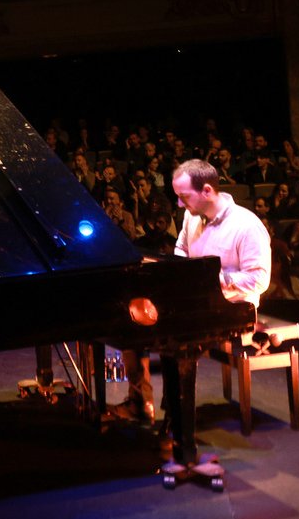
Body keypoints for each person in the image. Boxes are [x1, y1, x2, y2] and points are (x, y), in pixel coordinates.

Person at [115, 159, 270, 460]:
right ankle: (148, 404)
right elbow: (181, 251)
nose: (178, 203)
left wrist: (212, 280)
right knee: (134, 324)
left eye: (183, 196)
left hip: (233, 307)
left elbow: (259, 280)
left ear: (207, 191)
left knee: (175, 343)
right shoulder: (190, 216)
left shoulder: (247, 225)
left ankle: (178, 424)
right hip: (195, 300)